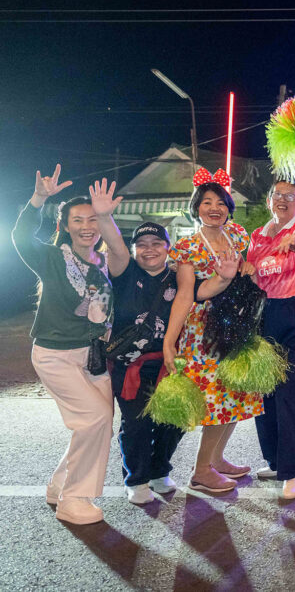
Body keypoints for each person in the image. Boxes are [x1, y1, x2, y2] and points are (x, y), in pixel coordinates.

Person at [13, 165, 114, 525]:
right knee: (94, 418)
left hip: (93, 355)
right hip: (55, 355)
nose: (87, 226)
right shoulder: (54, 258)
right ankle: (74, 501)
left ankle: (59, 486)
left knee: (99, 422)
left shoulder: (104, 263)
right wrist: (39, 198)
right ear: (66, 226)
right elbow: (21, 236)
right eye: (77, 220)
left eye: (93, 219)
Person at [164, 169, 262, 494]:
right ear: (196, 207)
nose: (214, 208)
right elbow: (187, 295)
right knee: (217, 399)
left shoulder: (236, 235)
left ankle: (217, 459)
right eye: (206, 202)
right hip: (205, 332)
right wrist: (169, 341)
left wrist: (246, 268)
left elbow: (243, 270)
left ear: (229, 208)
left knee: (235, 393)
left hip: (237, 324)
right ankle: (202, 470)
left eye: (220, 202)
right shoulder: (188, 246)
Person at [95, 178, 186, 506]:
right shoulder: (125, 271)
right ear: (134, 250)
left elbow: (205, 291)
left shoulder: (178, 276)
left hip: (167, 363)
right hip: (128, 365)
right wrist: (104, 217)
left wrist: (232, 272)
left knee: (174, 421)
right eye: (142, 244)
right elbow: (115, 245)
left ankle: (160, 470)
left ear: (168, 246)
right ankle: (137, 478)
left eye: (156, 243)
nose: (149, 249)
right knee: (136, 423)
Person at [249, 180, 295, 499]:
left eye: (289, 196)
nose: (282, 200)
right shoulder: (257, 236)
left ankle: (291, 472)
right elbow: (253, 275)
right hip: (266, 314)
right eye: (276, 194)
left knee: (292, 392)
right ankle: (277, 461)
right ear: (268, 200)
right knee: (266, 391)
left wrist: (293, 240)